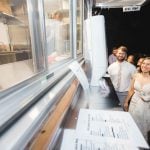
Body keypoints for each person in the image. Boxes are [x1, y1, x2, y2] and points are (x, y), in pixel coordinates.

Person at [124, 57, 150, 142]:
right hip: (134, 104)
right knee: (132, 124)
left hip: (146, 106)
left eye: (148, 64)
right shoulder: (136, 75)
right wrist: (126, 102)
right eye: (143, 63)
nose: (145, 66)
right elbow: (131, 90)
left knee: (142, 127)